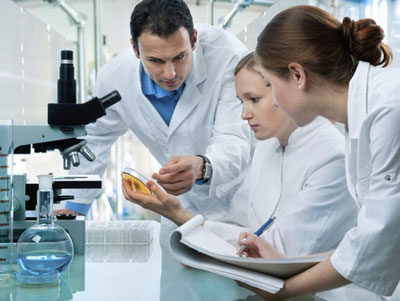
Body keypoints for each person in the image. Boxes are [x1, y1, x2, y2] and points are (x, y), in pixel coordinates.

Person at [122, 53, 362, 293]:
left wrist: (183, 219)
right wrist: (202, 245)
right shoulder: (267, 145)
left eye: (254, 99)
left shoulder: (332, 158)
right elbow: (246, 227)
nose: (244, 114)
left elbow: (279, 257)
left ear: (289, 88)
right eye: (241, 101)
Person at [235, 5, 400, 300]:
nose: (273, 102)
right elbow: (366, 240)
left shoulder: (387, 109)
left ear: (297, 74)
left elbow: (376, 241)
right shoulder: (359, 118)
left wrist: (282, 289)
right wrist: (283, 266)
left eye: (271, 85)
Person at [60, 0, 251, 220]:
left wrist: (202, 166)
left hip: (238, 202)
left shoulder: (228, 56)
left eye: (179, 57)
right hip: (178, 207)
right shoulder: (115, 78)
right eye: (156, 61)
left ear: (194, 39)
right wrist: (75, 208)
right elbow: (94, 140)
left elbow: (235, 138)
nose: (170, 73)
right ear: (135, 49)